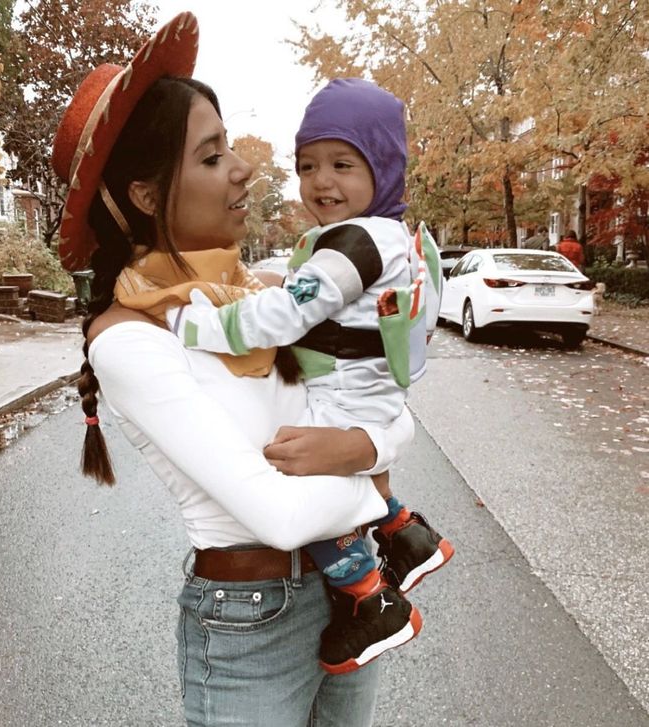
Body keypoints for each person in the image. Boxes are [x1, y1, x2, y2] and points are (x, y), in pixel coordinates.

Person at [51, 12, 419, 726]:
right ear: (147, 195)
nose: (244, 167)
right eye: (213, 155)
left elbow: (384, 399)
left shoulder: (260, 299)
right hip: (249, 621)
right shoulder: (131, 339)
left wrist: (361, 446)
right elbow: (277, 515)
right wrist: (374, 477)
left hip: (344, 594)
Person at [170, 78, 454, 673]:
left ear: (384, 167)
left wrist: (195, 324)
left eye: (343, 163)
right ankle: (406, 534)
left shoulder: (355, 242)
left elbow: (282, 315)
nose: (321, 180)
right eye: (308, 164)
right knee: (328, 470)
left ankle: (372, 600)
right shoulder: (390, 235)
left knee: (296, 478)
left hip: (344, 395)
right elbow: (317, 296)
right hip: (365, 393)